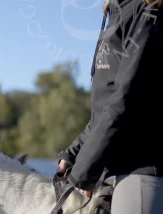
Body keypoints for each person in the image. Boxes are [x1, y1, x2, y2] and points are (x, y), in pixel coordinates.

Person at [56, 0, 163, 213]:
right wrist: (74, 153)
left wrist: (85, 168)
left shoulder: (145, 12)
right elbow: (105, 107)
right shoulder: (117, 11)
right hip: (116, 169)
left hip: (140, 170)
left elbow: (126, 100)